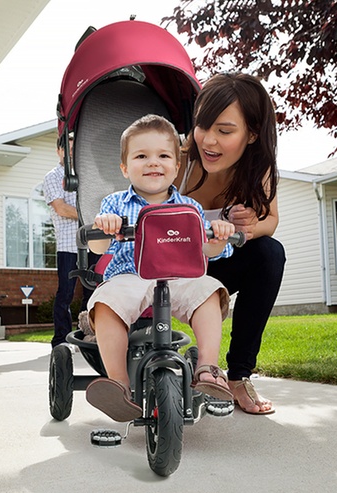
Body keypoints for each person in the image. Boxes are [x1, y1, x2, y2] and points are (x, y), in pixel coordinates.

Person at [84, 114, 236, 422]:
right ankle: (119, 385)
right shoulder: (114, 204)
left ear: (177, 167)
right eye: (141, 156)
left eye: (164, 155)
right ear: (125, 168)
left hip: (179, 277)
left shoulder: (189, 208)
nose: (153, 163)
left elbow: (209, 250)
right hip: (130, 277)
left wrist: (217, 237)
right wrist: (105, 227)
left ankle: (208, 367)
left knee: (209, 289)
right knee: (106, 302)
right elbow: (98, 248)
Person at [177, 72, 284, 415]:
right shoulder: (177, 159)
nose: (208, 140)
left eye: (224, 131)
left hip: (215, 265)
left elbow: (271, 220)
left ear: (251, 134)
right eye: (203, 126)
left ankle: (238, 375)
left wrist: (251, 228)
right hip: (166, 267)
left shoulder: (258, 169)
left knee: (270, 253)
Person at [43, 134, 85, 349]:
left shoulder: (84, 175)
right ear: (59, 151)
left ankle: (87, 337)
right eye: (67, 150)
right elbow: (61, 208)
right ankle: (61, 340)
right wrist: (89, 214)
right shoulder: (53, 176)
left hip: (90, 243)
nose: (70, 154)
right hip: (68, 246)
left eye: (74, 150)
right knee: (65, 294)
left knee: (94, 292)